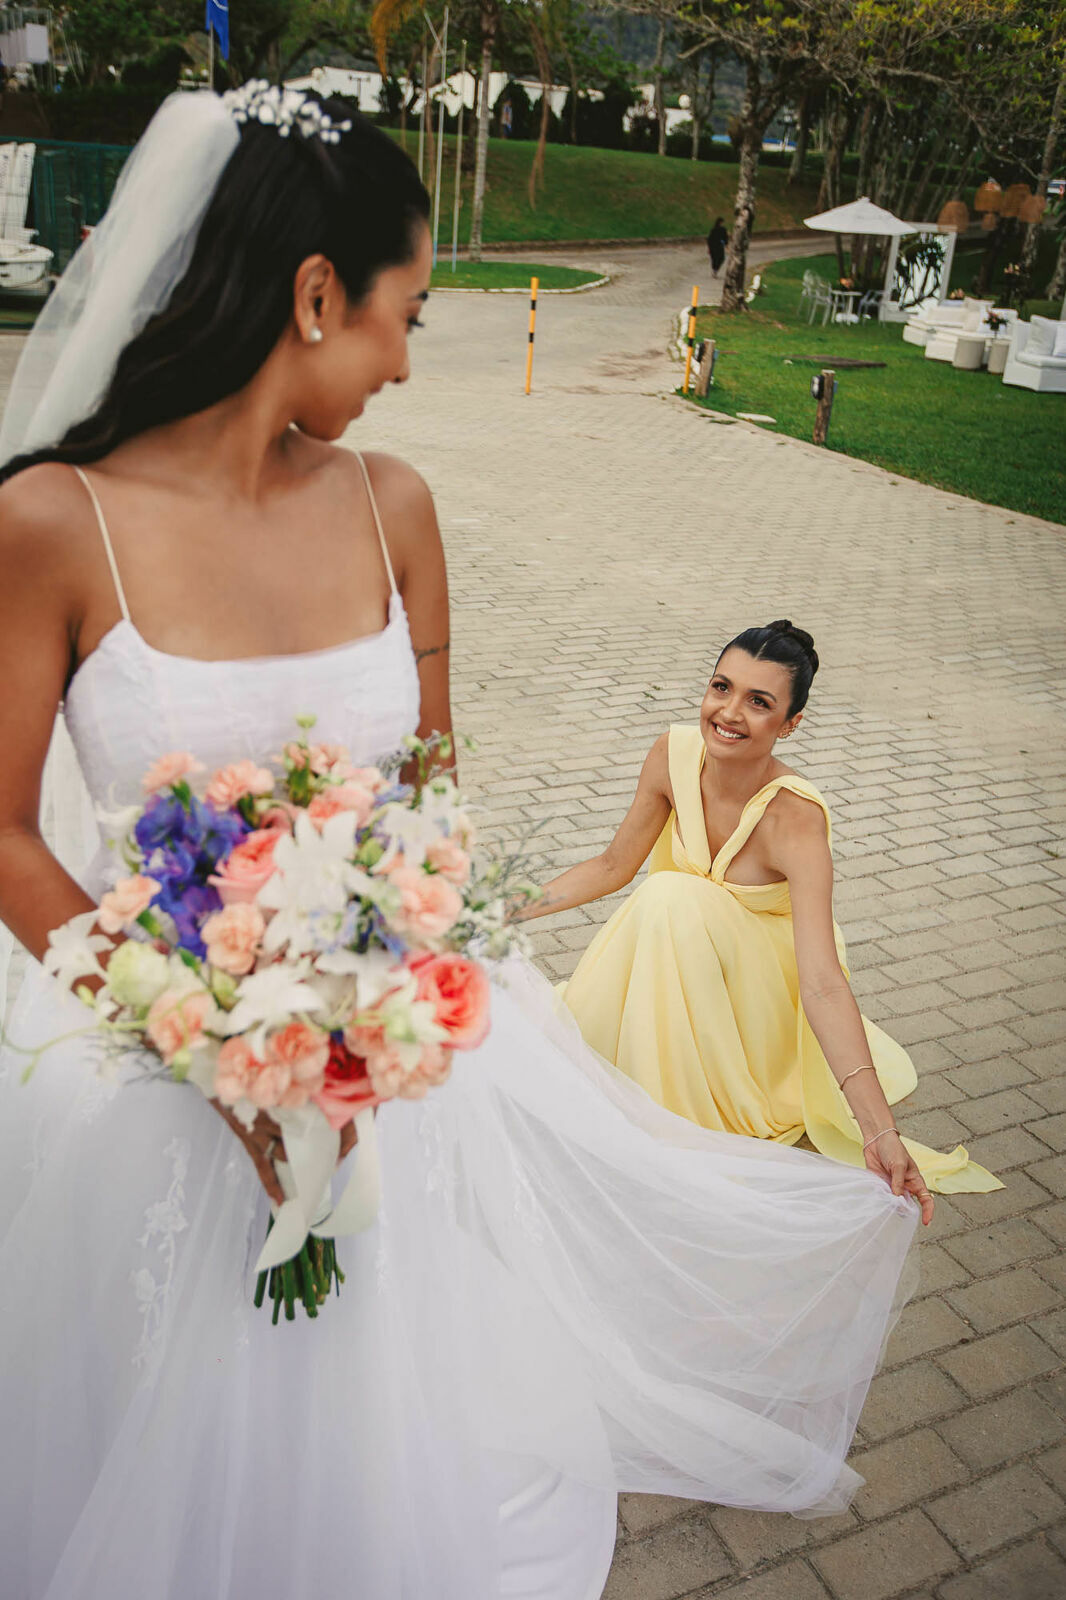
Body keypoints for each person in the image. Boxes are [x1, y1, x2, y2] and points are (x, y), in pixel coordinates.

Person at [0, 89, 921, 1600]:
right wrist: (212, 1041)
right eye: (404, 315)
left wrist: (377, 1003)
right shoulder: (53, 522)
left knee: (358, 1424)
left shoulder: (395, 508)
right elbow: (2, 827)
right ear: (314, 297)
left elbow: (427, 792)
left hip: (379, 1086)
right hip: (150, 1076)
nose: (412, 362)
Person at [525, 622, 1000, 1198]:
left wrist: (880, 1130)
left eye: (759, 702)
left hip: (763, 988)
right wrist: (494, 912)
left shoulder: (796, 816)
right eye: (721, 687)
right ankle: (636, 1077)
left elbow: (822, 982)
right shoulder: (671, 754)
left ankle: (692, 1107)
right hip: (679, 954)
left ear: (791, 724)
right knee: (663, 898)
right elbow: (610, 867)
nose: (728, 712)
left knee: (671, 895)